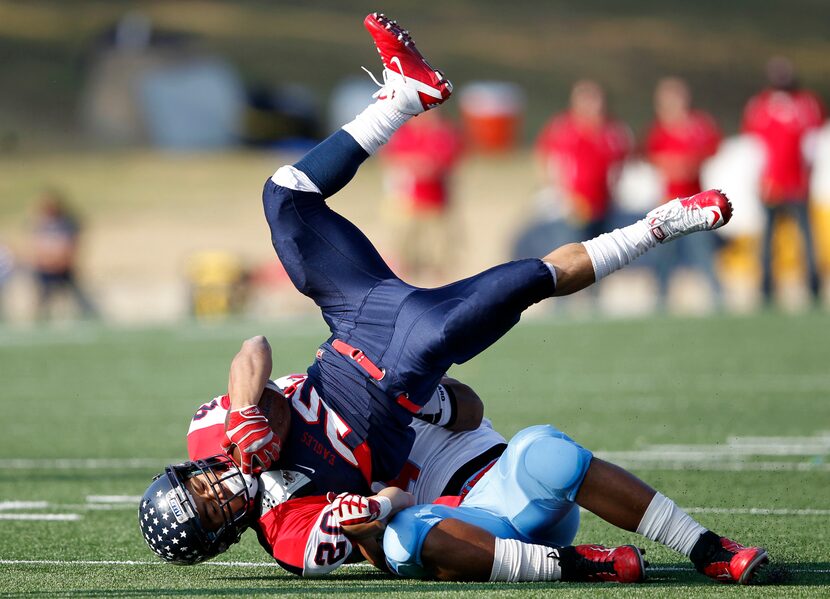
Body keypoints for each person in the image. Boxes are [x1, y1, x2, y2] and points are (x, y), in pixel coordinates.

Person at [139, 11, 734, 576]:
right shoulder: (289, 532)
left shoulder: (208, 436)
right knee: (528, 283)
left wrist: (245, 415)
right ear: (227, 531)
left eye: (198, 486)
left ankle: (403, 95)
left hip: (353, 323)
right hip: (405, 381)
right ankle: (658, 226)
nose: (215, 491)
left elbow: (254, 350)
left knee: (284, 197)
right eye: (213, 509)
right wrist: (371, 513)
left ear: (191, 469)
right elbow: (387, 507)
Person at [742, 57, 826, 304]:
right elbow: (755, 148)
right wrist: (757, 179)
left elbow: (813, 144)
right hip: (771, 184)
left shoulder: (807, 104)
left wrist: (809, 177)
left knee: (806, 238)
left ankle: (813, 285)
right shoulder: (761, 105)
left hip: (797, 183)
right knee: (768, 239)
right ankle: (766, 287)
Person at [646, 77, 723, 306]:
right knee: (664, 255)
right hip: (669, 203)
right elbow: (653, 158)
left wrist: (688, 163)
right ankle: (660, 297)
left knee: (702, 251)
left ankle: (717, 294)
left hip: (696, 202)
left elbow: (711, 149)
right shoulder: (659, 130)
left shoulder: (698, 125)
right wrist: (674, 164)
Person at [535, 80, 633, 242]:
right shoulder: (563, 128)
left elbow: (624, 163)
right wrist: (560, 194)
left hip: (605, 205)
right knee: (573, 254)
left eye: (594, 98)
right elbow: (545, 158)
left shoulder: (613, 130)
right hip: (573, 206)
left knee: (604, 257)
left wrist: (617, 192)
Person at [381, 109, 464, 282]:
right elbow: (393, 160)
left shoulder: (443, 133)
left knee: (438, 253)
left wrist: (415, 163)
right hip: (406, 201)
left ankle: (438, 285)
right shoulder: (405, 133)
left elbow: (435, 166)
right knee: (403, 250)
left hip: (436, 202)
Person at [30, 189, 96, 320]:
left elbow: (72, 244)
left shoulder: (67, 223)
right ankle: (41, 317)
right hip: (45, 267)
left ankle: (88, 314)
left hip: (63, 266)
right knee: (44, 297)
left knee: (76, 294)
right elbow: (35, 245)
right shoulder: (39, 223)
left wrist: (63, 260)